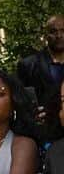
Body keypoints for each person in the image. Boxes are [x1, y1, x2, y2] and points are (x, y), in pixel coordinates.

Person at [17, 14, 64, 142]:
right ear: (45, 34)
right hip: (44, 138)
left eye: (63, 31)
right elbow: (20, 103)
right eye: (54, 31)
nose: (59, 35)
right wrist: (32, 115)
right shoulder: (28, 65)